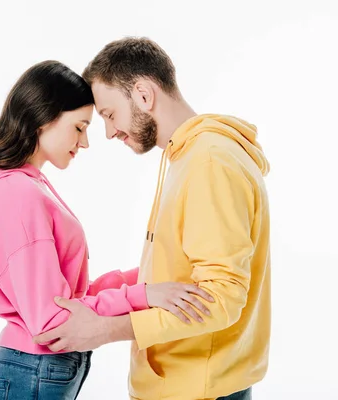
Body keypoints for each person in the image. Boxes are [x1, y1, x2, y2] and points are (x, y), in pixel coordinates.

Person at [0, 60, 214, 400]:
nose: (86, 142)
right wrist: (142, 295)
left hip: (33, 371)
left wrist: (148, 276)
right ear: (43, 117)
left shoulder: (27, 186)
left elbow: (68, 297)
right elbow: (53, 320)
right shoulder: (17, 193)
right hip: (30, 373)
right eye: (79, 127)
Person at [34, 37, 271, 400]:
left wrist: (104, 329)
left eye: (109, 115)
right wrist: (106, 293)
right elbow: (182, 272)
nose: (110, 132)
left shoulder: (209, 161)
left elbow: (221, 298)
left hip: (196, 390)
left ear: (144, 94)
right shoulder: (187, 156)